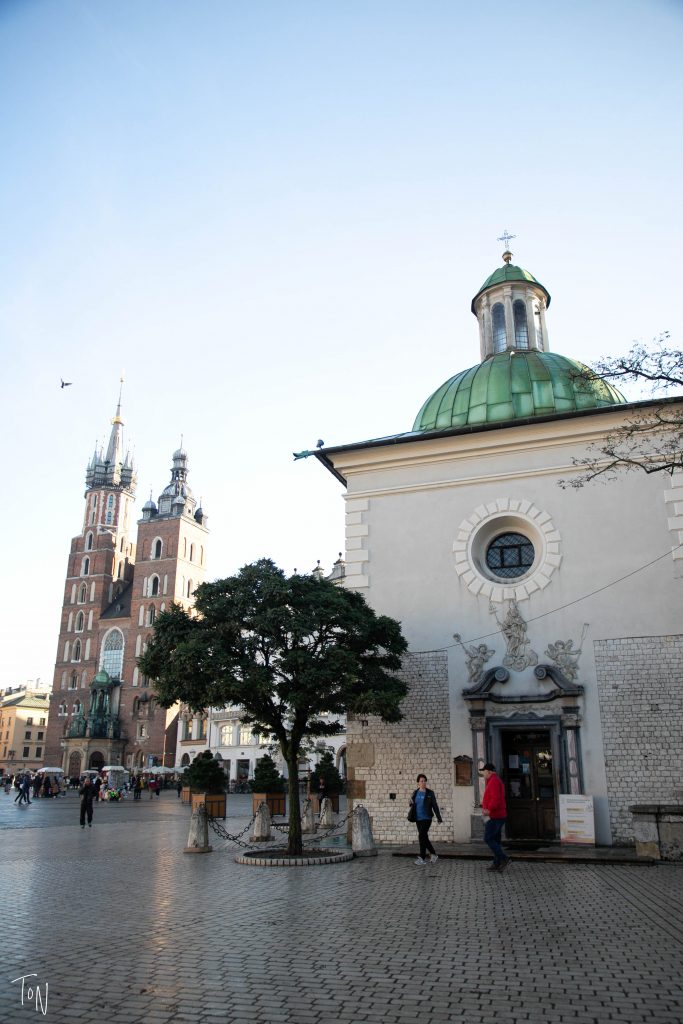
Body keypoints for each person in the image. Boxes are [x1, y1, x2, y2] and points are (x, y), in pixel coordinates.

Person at [480, 762, 510, 871]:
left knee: (488, 838)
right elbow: (493, 797)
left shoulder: (494, 781)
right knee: (496, 840)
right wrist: (485, 805)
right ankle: (496, 863)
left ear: (488, 771)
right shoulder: (493, 780)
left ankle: (504, 858)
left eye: (484, 771)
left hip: (495, 816)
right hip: (497, 815)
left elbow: (496, 799)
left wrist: (489, 809)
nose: (483, 773)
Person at [408, 773, 442, 866]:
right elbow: (412, 804)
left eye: (424, 781)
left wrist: (439, 817)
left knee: (421, 836)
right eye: (421, 781)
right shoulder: (415, 792)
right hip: (418, 818)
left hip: (427, 818)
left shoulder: (430, 793)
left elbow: (435, 805)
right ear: (418, 783)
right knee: (424, 837)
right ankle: (433, 854)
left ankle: (422, 858)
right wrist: (410, 802)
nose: (423, 783)